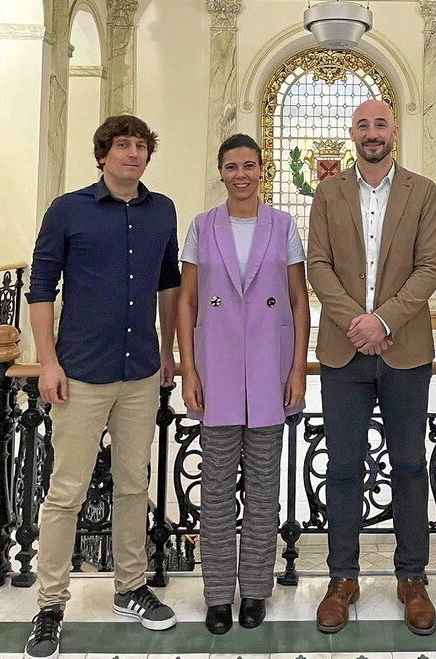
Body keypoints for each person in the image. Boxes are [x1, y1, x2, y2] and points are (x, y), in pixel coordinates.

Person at [23, 115, 180, 659]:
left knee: (134, 484)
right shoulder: (69, 210)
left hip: (139, 373)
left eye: (141, 145)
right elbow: (41, 284)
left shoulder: (162, 210)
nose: (132, 154)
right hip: (81, 372)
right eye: (122, 146)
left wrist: (168, 352)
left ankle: (130, 588)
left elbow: (168, 283)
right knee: (66, 491)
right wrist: (47, 362)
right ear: (103, 154)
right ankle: (50, 604)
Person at [308, 100, 436, 636]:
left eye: (380, 123)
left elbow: (430, 264)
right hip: (343, 354)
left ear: (394, 131)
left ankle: (412, 578)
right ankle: (342, 579)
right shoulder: (329, 191)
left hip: (405, 352)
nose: (372, 132)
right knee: (343, 469)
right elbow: (317, 263)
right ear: (352, 133)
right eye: (362, 125)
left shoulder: (423, 191)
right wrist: (356, 322)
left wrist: (383, 320)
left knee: (410, 466)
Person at [177, 133, 309, 635]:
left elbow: (298, 301)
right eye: (231, 166)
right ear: (221, 172)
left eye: (249, 165)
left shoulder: (283, 225)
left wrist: (297, 368)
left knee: (262, 490)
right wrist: (189, 368)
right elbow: (188, 301)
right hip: (217, 372)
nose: (241, 174)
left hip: (270, 372)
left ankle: (255, 590)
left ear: (262, 169)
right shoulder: (201, 227)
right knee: (214, 491)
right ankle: (216, 595)